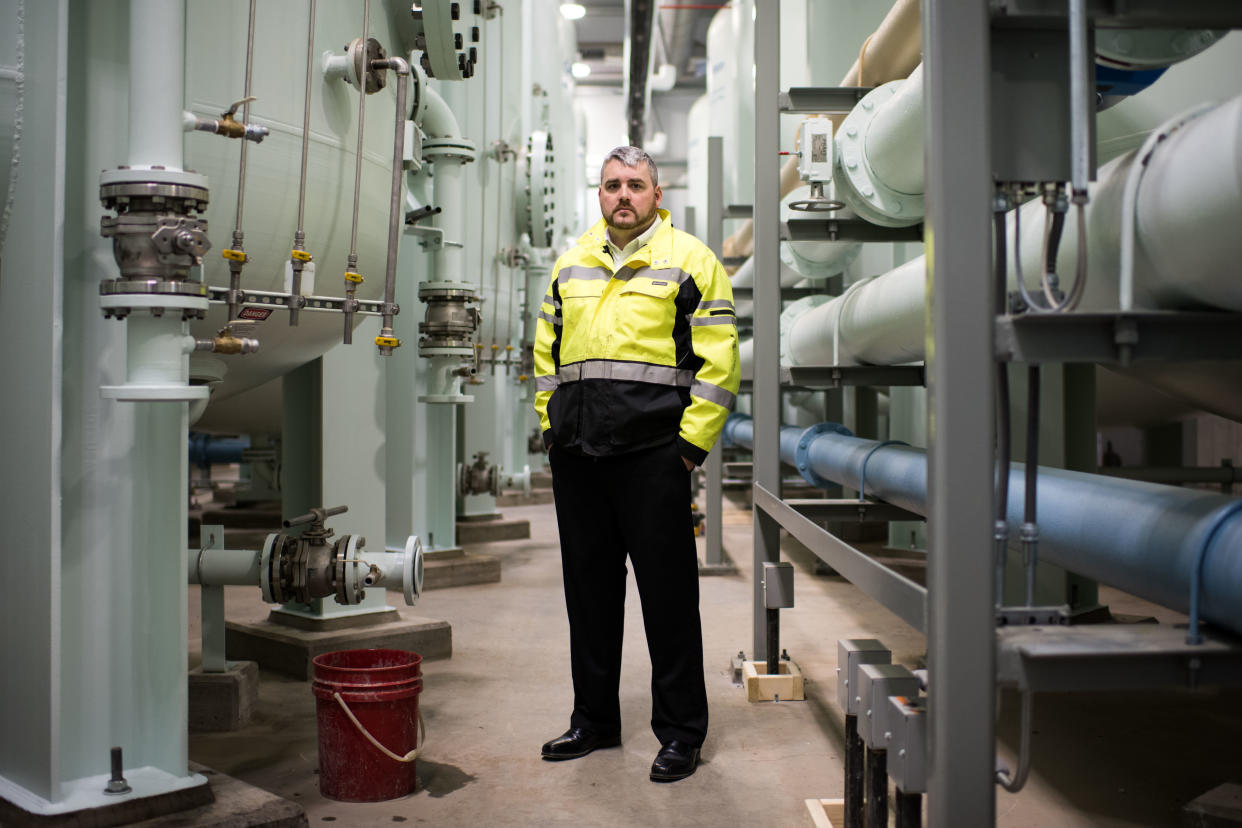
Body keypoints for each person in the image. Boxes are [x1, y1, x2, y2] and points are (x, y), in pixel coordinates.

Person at [532, 146, 740, 782]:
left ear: (656, 194)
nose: (623, 195)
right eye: (612, 185)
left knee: (668, 599)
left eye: (635, 185)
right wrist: (551, 426)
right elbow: (546, 355)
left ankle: (680, 732)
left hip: (654, 458)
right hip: (580, 457)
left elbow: (720, 364)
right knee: (589, 598)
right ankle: (594, 720)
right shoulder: (570, 263)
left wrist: (687, 451)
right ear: (599, 195)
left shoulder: (691, 262)